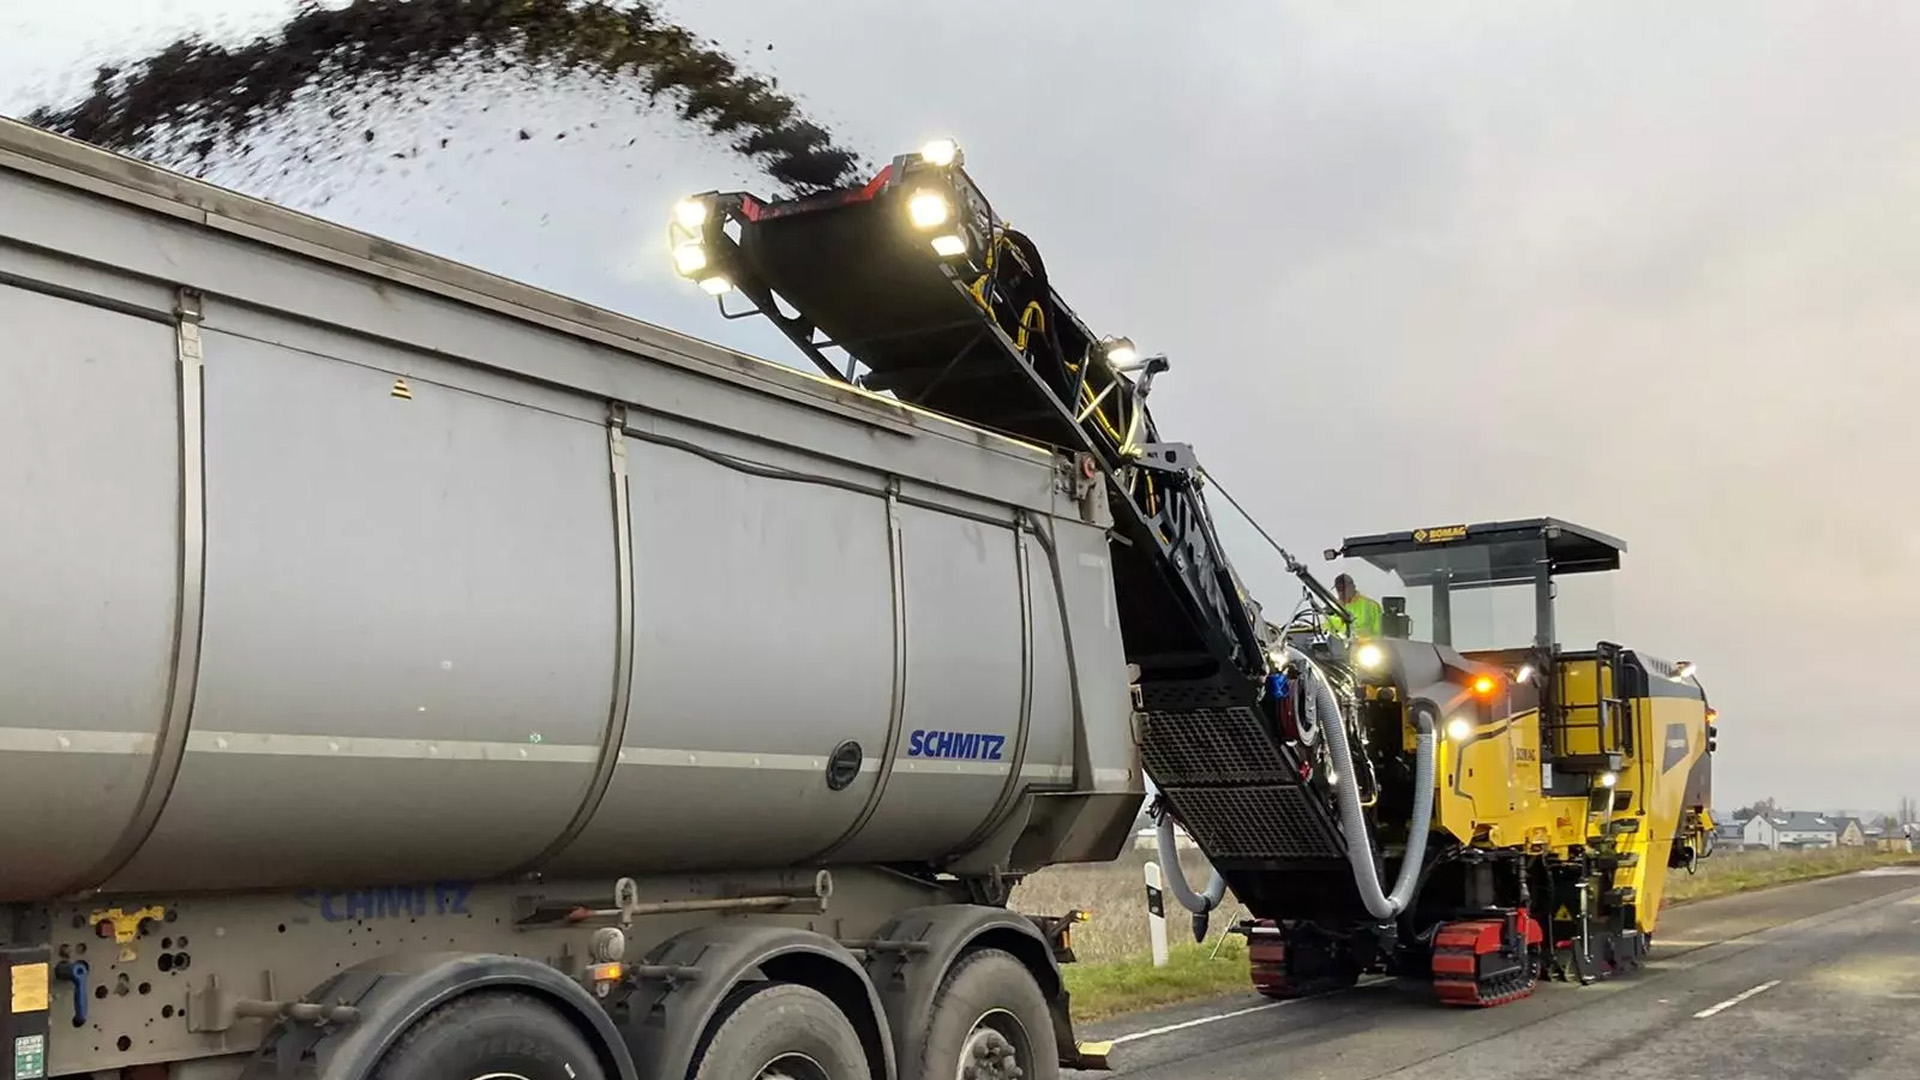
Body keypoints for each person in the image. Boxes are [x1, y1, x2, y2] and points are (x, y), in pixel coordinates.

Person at [1327, 573, 1383, 638]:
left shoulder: (1372, 605)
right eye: (1339, 589)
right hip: (1339, 646)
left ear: (1353, 587)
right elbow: (1328, 630)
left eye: (1343, 588)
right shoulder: (1333, 609)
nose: (1341, 592)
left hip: (1365, 646)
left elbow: (1380, 633)